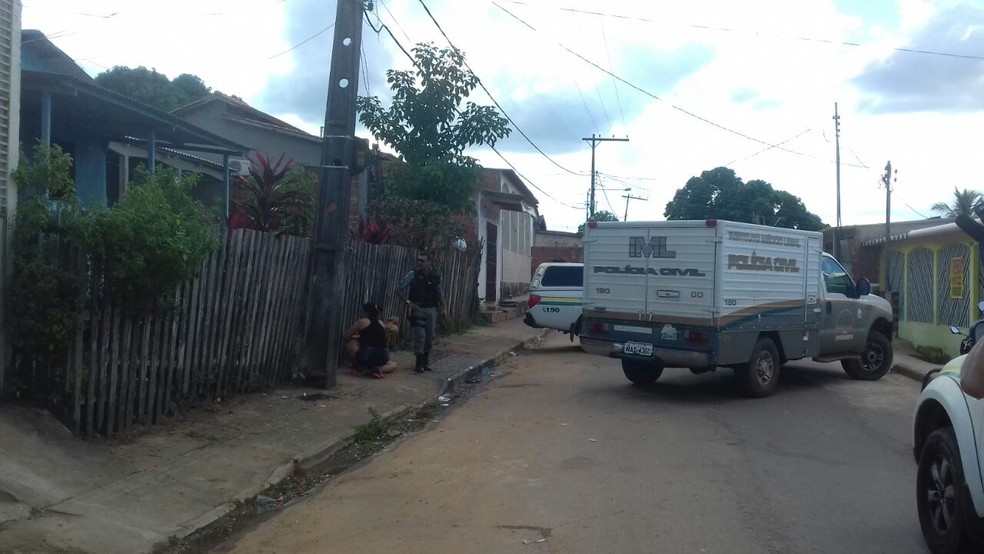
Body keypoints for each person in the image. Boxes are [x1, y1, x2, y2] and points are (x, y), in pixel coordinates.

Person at [397, 252, 447, 373]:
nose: (419, 263)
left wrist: (444, 308)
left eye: (422, 261)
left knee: (429, 336)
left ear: (429, 262)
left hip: (431, 309)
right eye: (418, 260)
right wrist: (408, 302)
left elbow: (439, 292)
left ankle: (425, 361)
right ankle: (418, 363)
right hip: (417, 309)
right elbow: (399, 289)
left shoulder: (434, 276)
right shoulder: (413, 275)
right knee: (419, 336)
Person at [343, 302, 397, 378]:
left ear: (366, 312)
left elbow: (346, 336)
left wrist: (355, 337)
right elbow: (375, 338)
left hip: (368, 356)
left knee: (349, 343)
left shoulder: (362, 321)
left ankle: (362, 368)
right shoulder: (381, 323)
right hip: (383, 356)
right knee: (393, 364)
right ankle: (375, 369)